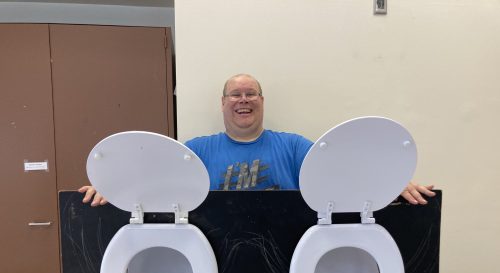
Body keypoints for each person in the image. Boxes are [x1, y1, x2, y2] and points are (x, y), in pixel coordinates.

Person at [79, 73, 435, 205]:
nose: (244, 99)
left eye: (251, 93)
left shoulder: (293, 146)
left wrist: (388, 182)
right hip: (215, 255)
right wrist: (113, 186)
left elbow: (340, 173)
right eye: (235, 95)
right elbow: (155, 182)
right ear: (222, 104)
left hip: (286, 254)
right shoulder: (196, 150)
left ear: (262, 102)